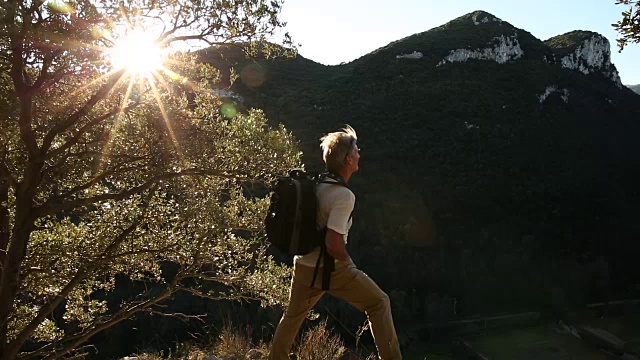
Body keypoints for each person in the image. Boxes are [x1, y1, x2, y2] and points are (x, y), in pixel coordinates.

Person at [269, 126, 402, 360]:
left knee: (291, 317)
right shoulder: (344, 196)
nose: (360, 153)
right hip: (332, 268)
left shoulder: (316, 185)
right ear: (349, 159)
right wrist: (348, 263)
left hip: (303, 264)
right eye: (357, 150)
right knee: (379, 303)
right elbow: (333, 243)